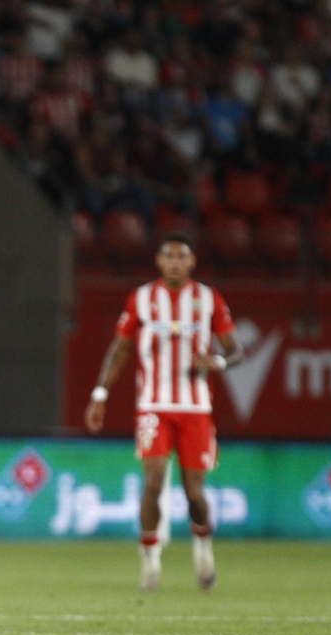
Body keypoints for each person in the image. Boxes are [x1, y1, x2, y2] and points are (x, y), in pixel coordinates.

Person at [84, 234, 243, 593]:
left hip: (195, 408)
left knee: (194, 493)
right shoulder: (142, 298)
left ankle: (203, 548)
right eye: (168, 256)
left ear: (192, 262)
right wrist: (100, 393)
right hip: (153, 406)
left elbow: (236, 351)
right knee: (153, 483)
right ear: (158, 261)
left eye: (181, 256)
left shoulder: (208, 299)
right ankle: (150, 562)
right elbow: (121, 348)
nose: (174, 262)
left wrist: (216, 361)